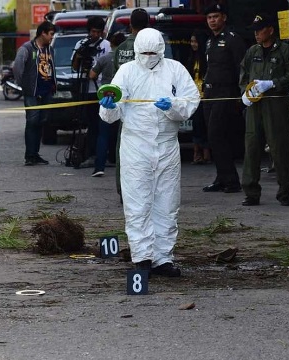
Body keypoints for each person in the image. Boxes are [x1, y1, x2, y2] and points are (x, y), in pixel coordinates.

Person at [98, 28, 200, 277]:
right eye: (143, 53)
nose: (148, 57)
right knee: (138, 202)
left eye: (153, 53)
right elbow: (112, 113)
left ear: (161, 50)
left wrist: (173, 106)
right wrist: (109, 107)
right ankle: (142, 257)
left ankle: (163, 258)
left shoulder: (175, 69)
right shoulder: (127, 71)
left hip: (167, 144)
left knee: (167, 203)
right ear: (136, 51)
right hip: (136, 145)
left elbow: (191, 100)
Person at [239, 14, 289, 207]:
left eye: (260, 29)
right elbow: (244, 74)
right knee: (252, 146)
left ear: (270, 30)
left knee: (279, 147)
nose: (256, 34)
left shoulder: (284, 51)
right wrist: (245, 93)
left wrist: (273, 83)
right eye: (255, 30)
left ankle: (284, 191)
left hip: (275, 104)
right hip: (255, 106)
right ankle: (251, 192)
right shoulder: (252, 51)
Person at [201, 3, 246, 194]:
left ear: (224, 18)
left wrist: (240, 94)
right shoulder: (210, 41)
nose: (212, 20)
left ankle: (232, 181)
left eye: (216, 16)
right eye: (209, 17)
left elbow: (242, 68)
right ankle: (222, 177)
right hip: (210, 94)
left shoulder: (233, 39)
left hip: (225, 93)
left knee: (217, 134)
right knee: (214, 138)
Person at [113, 8, 150, 200]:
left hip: (125, 106)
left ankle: (123, 190)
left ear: (130, 25)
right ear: (149, 25)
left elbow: (115, 79)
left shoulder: (120, 49)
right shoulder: (152, 49)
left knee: (124, 150)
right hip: (148, 107)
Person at [13, 21, 56, 166]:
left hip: (46, 92)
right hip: (32, 93)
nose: (52, 37)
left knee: (41, 123)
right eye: (50, 34)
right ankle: (30, 156)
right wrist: (25, 87)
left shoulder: (50, 50)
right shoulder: (26, 48)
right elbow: (17, 69)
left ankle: (35, 154)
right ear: (42, 33)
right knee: (32, 123)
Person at [71, 16, 111, 168]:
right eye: (93, 31)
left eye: (98, 32)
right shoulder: (81, 44)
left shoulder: (106, 45)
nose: (95, 35)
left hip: (101, 89)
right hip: (86, 89)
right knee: (89, 123)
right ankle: (87, 154)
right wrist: (79, 56)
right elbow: (74, 67)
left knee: (101, 124)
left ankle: (101, 155)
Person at [90, 31, 125, 177]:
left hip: (106, 98)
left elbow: (92, 75)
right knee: (122, 134)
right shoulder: (129, 60)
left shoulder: (104, 58)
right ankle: (122, 165)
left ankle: (99, 166)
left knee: (103, 134)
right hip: (123, 98)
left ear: (110, 43)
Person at [186, 30, 211, 165]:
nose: (193, 44)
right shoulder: (191, 58)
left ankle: (206, 152)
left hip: (206, 96)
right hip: (194, 97)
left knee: (205, 124)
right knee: (196, 125)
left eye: (195, 41)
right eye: (191, 41)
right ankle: (197, 153)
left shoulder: (206, 58)